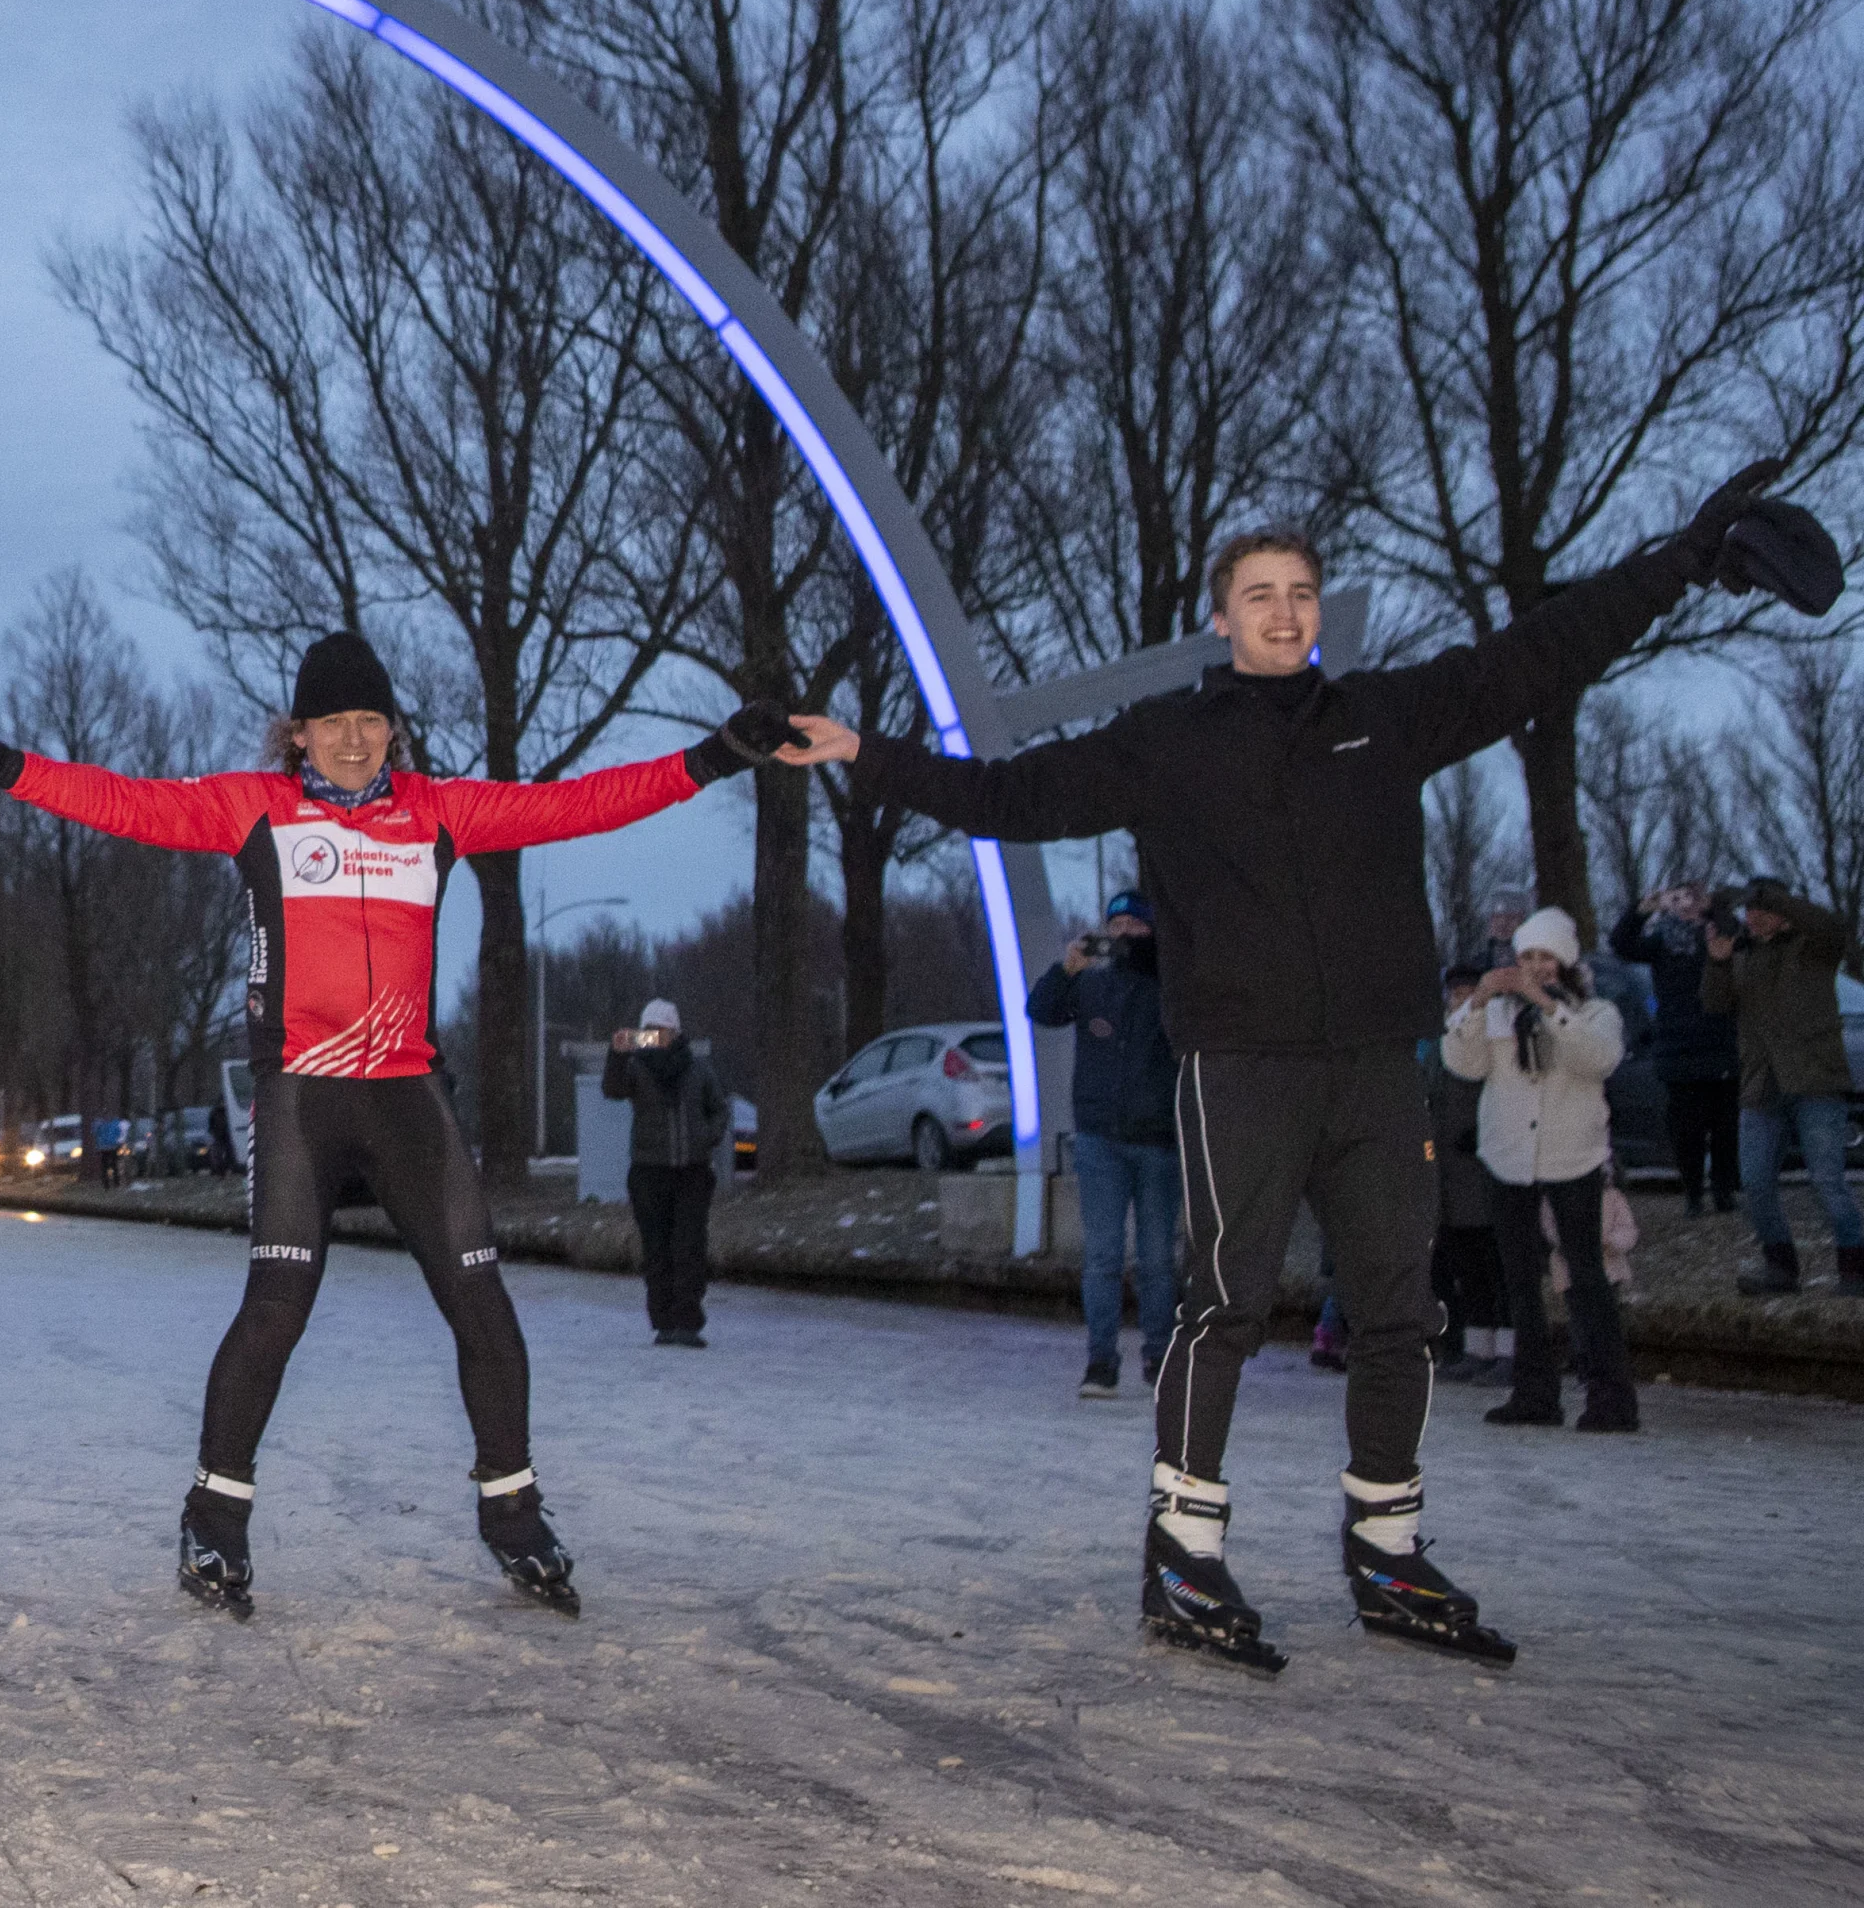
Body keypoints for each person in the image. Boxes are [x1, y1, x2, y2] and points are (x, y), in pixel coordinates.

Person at [782, 461, 1810, 1673]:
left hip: (1378, 1067)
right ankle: (1184, 1551)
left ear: (1320, 610)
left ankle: (1386, 1546)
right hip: (1244, 1068)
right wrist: (867, 752)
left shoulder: (1386, 718)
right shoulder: (1166, 742)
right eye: (1259, 593)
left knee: (1397, 1312)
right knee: (1224, 1304)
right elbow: (1014, 792)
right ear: (1221, 618)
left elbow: (1546, 648)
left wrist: (1683, 559)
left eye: (1302, 591)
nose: (1283, 611)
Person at [0, 626, 799, 1616]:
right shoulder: (253, 811)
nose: (351, 740)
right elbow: (115, 799)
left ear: (393, 730)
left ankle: (513, 1514)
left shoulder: (438, 814)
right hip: (302, 1093)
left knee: (483, 1306)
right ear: (297, 735)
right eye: (331, 723)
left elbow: (576, 805)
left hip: (407, 1097)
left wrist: (718, 754)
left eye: (369, 721)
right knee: (277, 1309)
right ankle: (214, 1520)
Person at [1441, 908, 1636, 1432]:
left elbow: (1598, 1061)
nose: (1534, 967)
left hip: (1573, 1157)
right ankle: (1533, 1392)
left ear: (1564, 962)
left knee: (1586, 1276)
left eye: (1545, 957)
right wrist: (1478, 1002)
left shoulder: (1595, 1013)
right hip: (1506, 1158)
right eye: (1526, 957)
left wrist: (1549, 1007)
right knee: (1519, 1281)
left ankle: (1610, 1396)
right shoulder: (1499, 1017)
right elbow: (1462, 1064)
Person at [1030, 891, 1180, 1400]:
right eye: (1112, 925)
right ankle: (1100, 1360)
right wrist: (1067, 968)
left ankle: (1160, 1356)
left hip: (1159, 1139)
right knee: (1102, 1256)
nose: (1121, 934)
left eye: (1132, 926)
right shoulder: (1092, 983)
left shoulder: (1169, 983)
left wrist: (1156, 958)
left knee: (1159, 1258)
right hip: (1100, 1139)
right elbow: (1042, 1008)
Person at [1708, 877, 1862, 1296]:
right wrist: (1719, 961)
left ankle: (1855, 1267)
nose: (1751, 917)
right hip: (1762, 1084)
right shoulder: (1744, 954)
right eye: (1748, 910)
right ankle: (1780, 1267)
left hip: (1816, 1081)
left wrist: (1778, 899)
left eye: (1760, 908)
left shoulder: (1813, 947)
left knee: (1827, 1180)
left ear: (1783, 909)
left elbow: (1834, 927)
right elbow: (1716, 1004)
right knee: (1755, 1181)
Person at [601, 997, 730, 1349]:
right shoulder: (635, 1069)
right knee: (656, 1250)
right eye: (650, 1030)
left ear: (676, 1031)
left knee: (689, 1247)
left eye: (663, 1030)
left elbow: (719, 1109)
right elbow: (611, 1090)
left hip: (693, 1173)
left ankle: (688, 1322)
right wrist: (617, 1052)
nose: (657, 1036)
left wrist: (706, 1137)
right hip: (648, 1173)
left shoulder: (699, 1069)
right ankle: (664, 1322)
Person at [1609, 884, 1741, 1216]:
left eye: (1692, 898)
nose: (1684, 905)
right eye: (1677, 898)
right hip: (1678, 1050)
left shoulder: (1716, 936)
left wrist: (1713, 909)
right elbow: (1622, 945)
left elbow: (1738, 934)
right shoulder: (1661, 943)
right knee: (1686, 1131)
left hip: (1721, 1045)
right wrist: (1644, 909)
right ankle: (1694, 1194)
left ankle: (1724, 1192)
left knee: (1726, 1127)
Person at [1422, 960, 1509, 1387]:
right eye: (1453, 992)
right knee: (1468, 1265)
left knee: (1497, 1265)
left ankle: (1510, 1349)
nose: (1458, 1000)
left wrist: (1481, 1131)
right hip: (1449, 1174)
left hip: (1483, 1166)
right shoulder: (1441, 1039)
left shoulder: (1492, 1032)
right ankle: (1478, 1347)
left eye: (1466, 991)